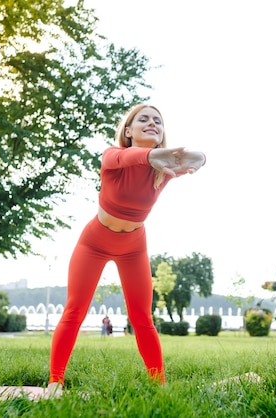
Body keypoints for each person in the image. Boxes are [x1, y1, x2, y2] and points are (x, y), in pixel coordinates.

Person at [49, 104, 206, 388]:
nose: (152, 123)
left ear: (162, 134)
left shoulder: (165, 170)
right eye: (143, 119)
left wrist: (196, 158)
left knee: (142, 317)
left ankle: (160, 386)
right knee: (75, 311)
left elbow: (198, 158)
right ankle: (55, 382)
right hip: (94, 243)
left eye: (158, 121)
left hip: (134, 246)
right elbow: (128, 158)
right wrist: (152, 155)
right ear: (128, 131)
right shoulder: (113, 155)